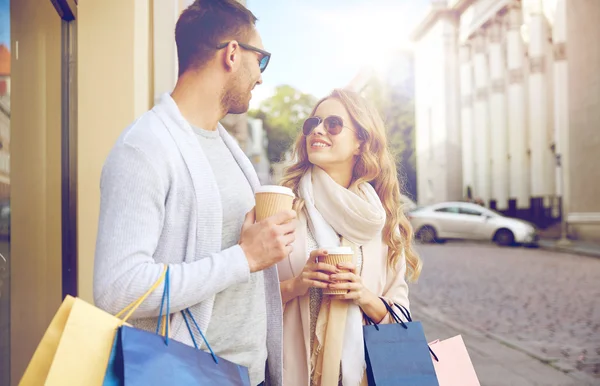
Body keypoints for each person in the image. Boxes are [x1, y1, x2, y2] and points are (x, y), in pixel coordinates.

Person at [93, 1, 294, 385]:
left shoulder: (228, 149)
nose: (261, 77)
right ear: (233, 53)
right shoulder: (145, 148)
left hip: (248, 376)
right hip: (186, 376)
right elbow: (118, 290)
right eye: (261, 60)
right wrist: (244, 257)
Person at [277, 89, 422, 385]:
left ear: (360, 142)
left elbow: (400, 314)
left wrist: (364, 296)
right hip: (290, 372)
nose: (317, 129)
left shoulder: (380, 220)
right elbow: (246, 298)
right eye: (312, 123)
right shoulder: (283, 207)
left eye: (333, 124)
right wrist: (296, 285)